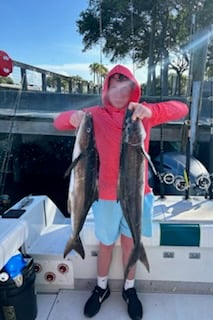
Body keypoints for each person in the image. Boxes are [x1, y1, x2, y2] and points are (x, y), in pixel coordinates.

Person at [53, 64, 188, 319]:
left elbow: (182, 108)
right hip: (104, 196)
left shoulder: (142, 113)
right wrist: (72, 116)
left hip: (138, 193)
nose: (118, 92)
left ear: (132, 90)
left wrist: (152, 109)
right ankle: (101, 287)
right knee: (106, 245)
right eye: (113, 87)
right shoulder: (95, 114)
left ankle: (129, 289)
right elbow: (58, 122)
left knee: (129, 244)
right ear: (106, 90)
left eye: (123, 87)